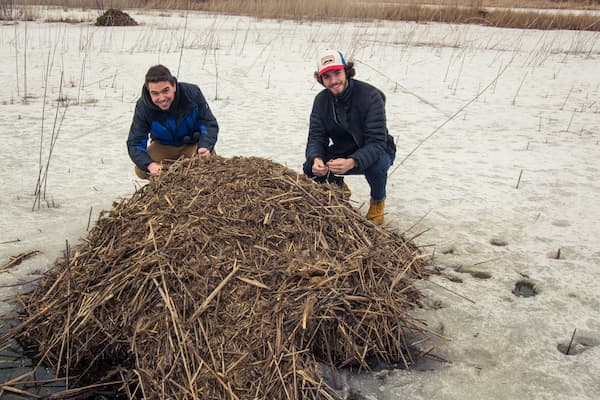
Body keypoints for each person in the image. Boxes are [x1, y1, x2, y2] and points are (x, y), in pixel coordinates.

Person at [303, 49, 396, 225]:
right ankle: (338, 191)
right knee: (309, 168)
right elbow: (316, 136)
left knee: (377, 165)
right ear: (321, 79)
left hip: (377, 148)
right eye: (327, 77)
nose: (333, 81)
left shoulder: (370, 96)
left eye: (337, 73)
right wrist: (316, 159)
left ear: (346, 71)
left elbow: (376, 141)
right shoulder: (321, 101)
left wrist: (353, 161)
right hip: (342, 148)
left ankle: (377, 202)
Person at [127, 64, 219, 179]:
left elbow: (208, 123)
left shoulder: (192, 93)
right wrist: (150, 165)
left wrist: (205, 146)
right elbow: (135, 143)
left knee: (207, 160)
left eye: (165, 91)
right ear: (149, 92)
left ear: (174, 86)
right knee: (141, 170)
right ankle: (165, 182)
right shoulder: (143, 107)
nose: (162, 98)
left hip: (193, 144)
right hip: (164, 145)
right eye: (155, 93)